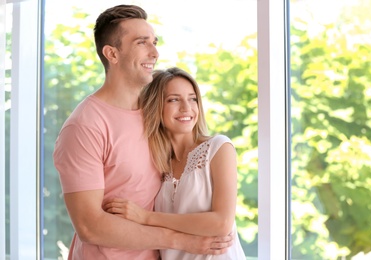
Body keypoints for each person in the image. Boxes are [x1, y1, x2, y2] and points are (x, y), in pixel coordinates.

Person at [53, 5, 233, 260]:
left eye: (154, 42)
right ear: (112, 54)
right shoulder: (84, 126)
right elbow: (89, 226)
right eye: (142, 43)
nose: (155, 52)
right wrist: (182, 241)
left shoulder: (154, 115)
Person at [103, 67, 246, 259]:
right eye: (174, 99)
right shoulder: (155, 163)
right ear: (156, 106)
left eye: (192, 98)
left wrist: (147, 217)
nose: (186, 108)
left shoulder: (218, 148)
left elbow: (221, 223)